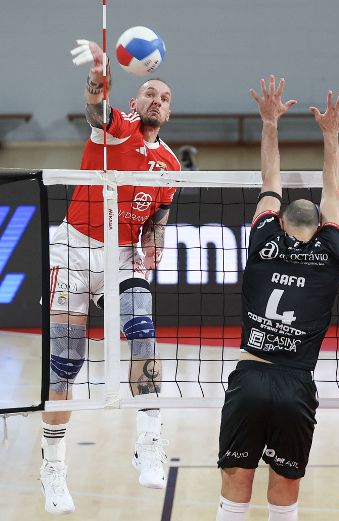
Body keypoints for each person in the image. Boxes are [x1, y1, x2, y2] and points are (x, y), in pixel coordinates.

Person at [40, 40, 181, 514]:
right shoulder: (115, 131)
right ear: (134, 102)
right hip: (75, 248)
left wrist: (153, 247)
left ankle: (149, 441)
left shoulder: (171, 166)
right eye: (148, 93)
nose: (156, 100)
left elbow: (158, 218)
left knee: (144, 334)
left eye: (163, 96)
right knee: (65, 363)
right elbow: (96, 107)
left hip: (124, 253)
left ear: (169, 111)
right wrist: (100, 72)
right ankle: (54, 467)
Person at [214, 75, 339, 521]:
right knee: (285, 494)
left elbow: (269, 178)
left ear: (279, 219)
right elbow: (334, 190)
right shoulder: (331, 253)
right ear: (320, 229)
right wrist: (331, 134)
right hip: (296, 384)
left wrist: (270, 122)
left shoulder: (262, 240)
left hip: (251, 377)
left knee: (236, 487)